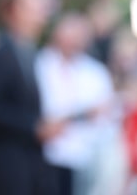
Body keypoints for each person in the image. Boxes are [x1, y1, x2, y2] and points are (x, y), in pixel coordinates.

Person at [0, 0, 64, 194]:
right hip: (8, 159)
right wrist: (34, 126)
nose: (40, 16)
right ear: (16, 11)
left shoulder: (28, 50)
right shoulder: (3, 52)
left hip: (29, 157)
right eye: (33, 9)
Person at [35, 12, 118, 195]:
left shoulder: (95, 73)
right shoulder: (38, 64)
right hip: (41, 157)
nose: (74, 41)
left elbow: (105, 116)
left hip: (82, 158)